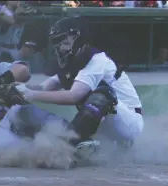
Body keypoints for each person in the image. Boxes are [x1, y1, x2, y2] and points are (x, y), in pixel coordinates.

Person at [18, 16, 144, 149]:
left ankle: (71, 143)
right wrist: (17, 89)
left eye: (65, 43)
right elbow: (42, 88)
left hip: (129, 122)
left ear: (79, 40)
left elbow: (74, 96)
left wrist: (31, 94)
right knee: (28, 112)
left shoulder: (97, 60)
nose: (61, 48)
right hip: (107, 125)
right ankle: (80, 142)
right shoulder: (73, 63)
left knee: (102, 94)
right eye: (59, 44)